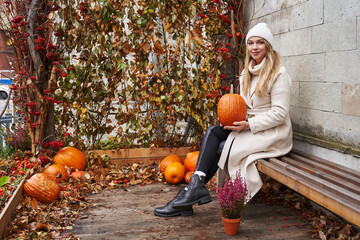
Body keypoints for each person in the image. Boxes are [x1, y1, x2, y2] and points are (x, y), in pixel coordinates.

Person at [154, 22, 293, 217]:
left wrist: (248, 124)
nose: (254, 47)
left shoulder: (279, 73)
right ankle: (194, 188)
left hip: (272, 132)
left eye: (260, 42)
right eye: (251, 43)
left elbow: (280, 114)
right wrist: (231, 120)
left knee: (222, 147)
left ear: (268, 46)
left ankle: (186, 197)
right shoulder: (246, 73)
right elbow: (242, 106)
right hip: (249, 125)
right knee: (213, 131)